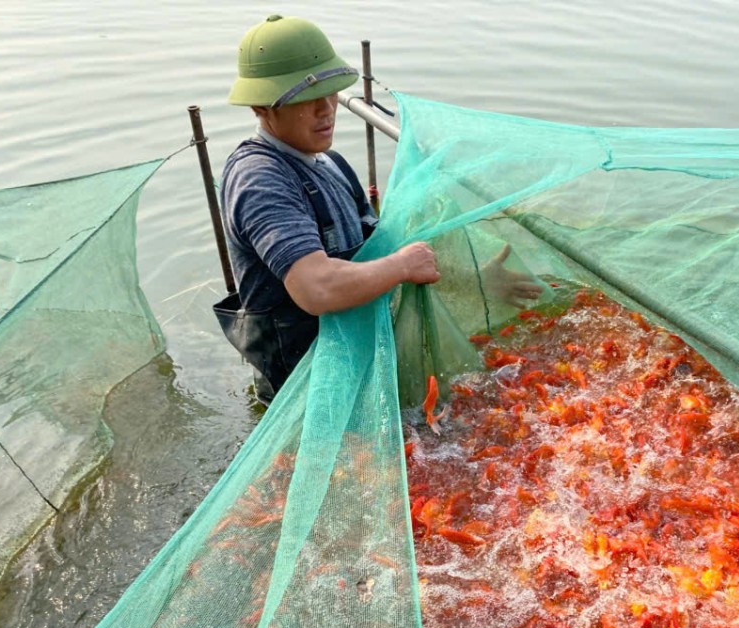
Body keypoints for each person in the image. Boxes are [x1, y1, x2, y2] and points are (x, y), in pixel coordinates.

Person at [218, 14, 541, 403]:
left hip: (357, 367)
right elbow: (316, 287)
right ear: (262, 107)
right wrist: (403, 266)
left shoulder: (329, 163)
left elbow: (381, 253)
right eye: (306, 98)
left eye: (331, 91)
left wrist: (473, 280)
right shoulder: (260, 179)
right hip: (305, 392)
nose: (327, 108)